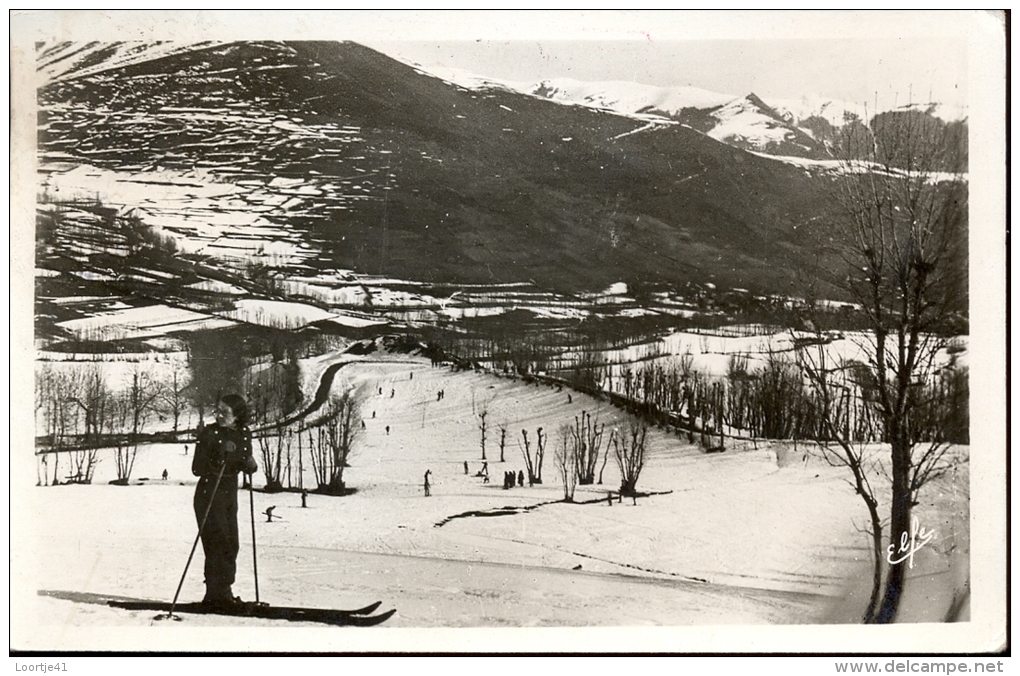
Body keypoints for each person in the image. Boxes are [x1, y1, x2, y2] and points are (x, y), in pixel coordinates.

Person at [191, 394, 258, 609]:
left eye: (225, 412)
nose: (219, 415)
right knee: (217, 543)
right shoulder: (209, 433)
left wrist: (250, 465)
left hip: (229, 493)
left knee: (231, 544)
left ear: (238, 415)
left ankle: (224, 592)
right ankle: (215, 594)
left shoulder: (244, 434)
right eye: (218, 410)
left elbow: (246, 461)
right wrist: (218, 456)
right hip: (209, 493)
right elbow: (197, 469)